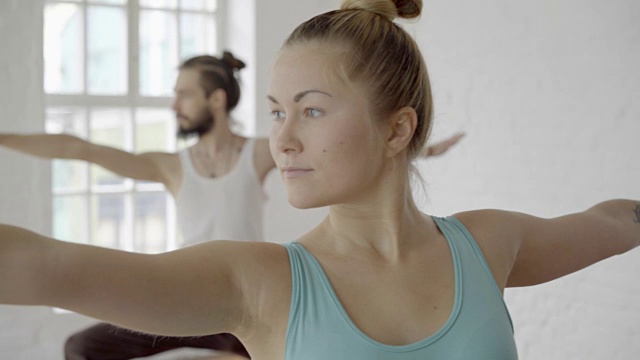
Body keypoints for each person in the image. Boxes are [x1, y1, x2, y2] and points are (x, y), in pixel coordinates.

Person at [3, 0, 637, 359]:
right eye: (277, 112)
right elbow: (50, 264)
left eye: (309, 110)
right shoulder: (260, 281)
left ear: (396, 130)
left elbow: (613, 223)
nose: (282, 138)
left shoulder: (489, 243)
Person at [0, 47, 461, 360]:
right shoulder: (171, 166)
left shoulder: (259, 152)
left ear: (216, 100)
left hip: (245, 304)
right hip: (184, 297)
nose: (174, 104)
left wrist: (409, 144)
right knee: (82, 347)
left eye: (184, 94)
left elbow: (338, 149)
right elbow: (79, 148)